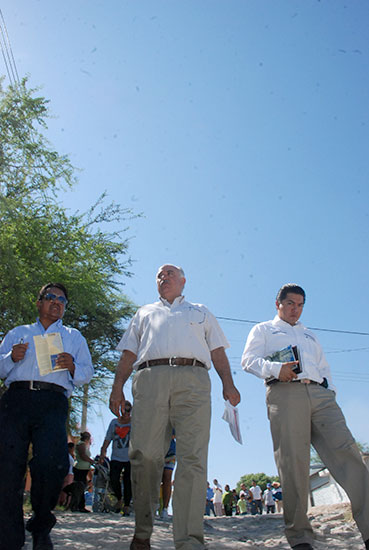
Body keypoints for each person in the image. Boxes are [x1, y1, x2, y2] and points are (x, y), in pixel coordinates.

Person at [109, 264, 240, 550]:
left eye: (169, 273)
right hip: (149, 379)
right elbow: (129, 352)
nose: (163, 277)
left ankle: (189, 539)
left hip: (193, 381)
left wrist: (228, 384)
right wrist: (117, 386)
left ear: (183, 281)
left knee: (192, 458)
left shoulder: (201, 311)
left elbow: (217, 350)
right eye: (159, 275)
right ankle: (142, 531)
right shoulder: (144, 313)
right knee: (145, 456)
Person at [242, 283, 369, 550]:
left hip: (321, 397)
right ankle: (300, 537)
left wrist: (329, 392)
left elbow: (324, 367)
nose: (295, 310)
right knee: (293, 464)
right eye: (290, 304)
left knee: (350, 456)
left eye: (300, 305)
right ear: (278, 304)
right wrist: (277, 369)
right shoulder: (264, 329)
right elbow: (248, 360)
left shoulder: (310, 335)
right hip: (285, 394)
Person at [0, 282, 94, 550]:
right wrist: (10, 358)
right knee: (8, 467)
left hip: (53, 401)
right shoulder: (18, 333)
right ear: (39, 302)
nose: (56, 302)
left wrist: (73, 365)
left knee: (51, 464)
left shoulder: (74, 337)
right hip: (16, 400)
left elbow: (87, 374)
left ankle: (41, 524)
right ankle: (9, 537)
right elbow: (0, 367)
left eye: (62, 300)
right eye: (50, 297)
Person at [100, 401, 132, 515]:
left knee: (128, 481)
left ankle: (127, 505)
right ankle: (119, 499)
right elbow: (108, 438)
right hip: (116, 457)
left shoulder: (134, 423)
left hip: (130, 457)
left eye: (128, 410)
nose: (126, 413)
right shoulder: (114, 423)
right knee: (113, 478)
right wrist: (103, 450)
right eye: (124, 410)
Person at [73, 431, 95, 512]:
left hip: (84, 468)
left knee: (82, 486)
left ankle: (79, 505)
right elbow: (83, 456)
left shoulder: (85, 445)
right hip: (80, 468)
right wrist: (91, 461)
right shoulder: (81, 444)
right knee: (80, 487)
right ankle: (79, 505)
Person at [160, 434, 176, 520]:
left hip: (170, 452)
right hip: (155, 450)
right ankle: (154, 505)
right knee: (154, 478)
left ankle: (165, 508)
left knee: (167, 477)